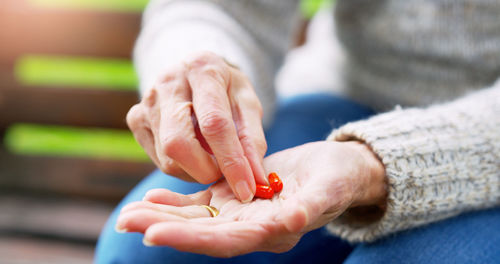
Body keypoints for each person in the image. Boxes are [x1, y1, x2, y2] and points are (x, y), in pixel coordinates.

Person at [95, 0, 500, 263]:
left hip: (486, 137)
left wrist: (376, 161)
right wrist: (201, 65)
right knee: (140, 253)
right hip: (348, 90)